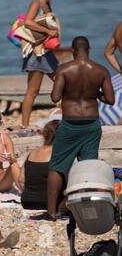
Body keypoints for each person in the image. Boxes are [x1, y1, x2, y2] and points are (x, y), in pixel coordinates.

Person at [31, 36, 115, 221]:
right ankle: (86, 209)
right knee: (88, 166)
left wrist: (70, 91)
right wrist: (96, 94)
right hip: (92, 124)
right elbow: (111, 100)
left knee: (57, 166)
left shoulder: (64, 69)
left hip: (70, 124)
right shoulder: (101, 71)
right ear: (89, 49)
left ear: (73, 51)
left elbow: (54, 98)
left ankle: (52, 212)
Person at [21, 0, 61, 128]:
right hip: (36, 53)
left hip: (46, 52)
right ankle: (25, 126)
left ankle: (66, 116)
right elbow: (28, 22)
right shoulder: (36, 3)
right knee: (32, 91)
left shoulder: (47, 5)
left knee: (62, 82)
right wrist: (47, 31)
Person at [20, 120, 67, 211]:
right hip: (52, 204)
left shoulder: (32, 152)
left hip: (27, 202)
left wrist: (33, 194)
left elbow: (21, 179)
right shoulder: (60, 154)